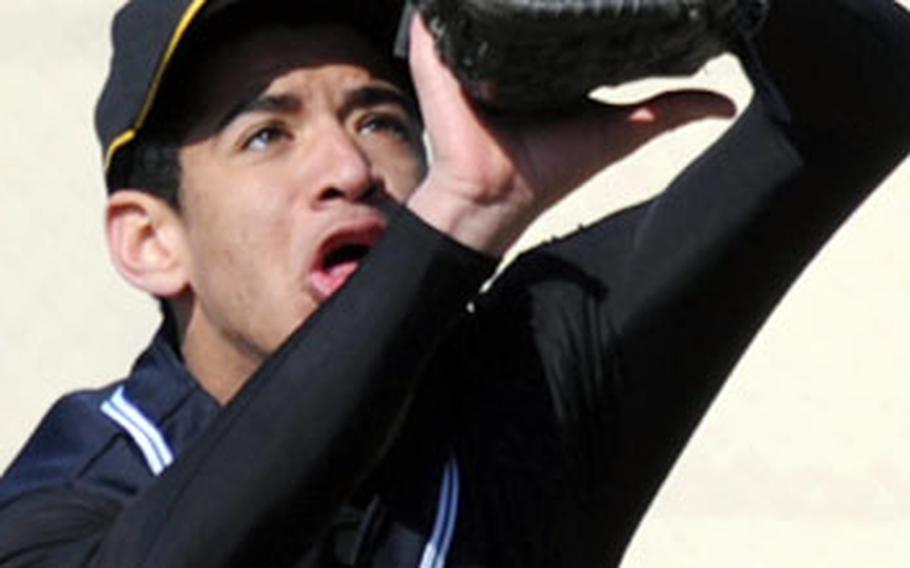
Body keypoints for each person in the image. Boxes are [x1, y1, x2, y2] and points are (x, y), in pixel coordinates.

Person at [0, 0, 908, 566]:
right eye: (266, 134)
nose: (349, 167)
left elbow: (868, 101)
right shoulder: (77, 494)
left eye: (384, 117)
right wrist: (461, 215)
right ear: (152, 242)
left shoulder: (538, 378)